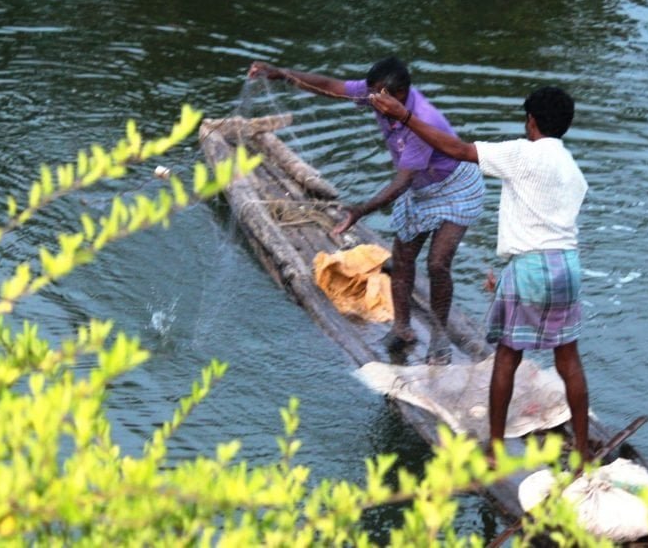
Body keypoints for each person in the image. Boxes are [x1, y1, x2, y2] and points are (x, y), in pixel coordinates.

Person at [370, 85, 590, 462]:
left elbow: (457, 150)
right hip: (567, 267)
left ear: (531, 121)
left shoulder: (523, 153)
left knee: (507, 357)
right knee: (568, 359)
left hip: (531, 267)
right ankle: (584, 450)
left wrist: (404, 116)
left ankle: (495, 448)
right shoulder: (573, 171)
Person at [248, 57, 485, 365]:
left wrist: (359, 211)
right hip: (421, 187)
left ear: (398, 94)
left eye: (377, 95)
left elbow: (402, 181)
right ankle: (402, 329)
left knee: (438, 263)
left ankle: (439, 338)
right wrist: (281, 74)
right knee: (402, 259)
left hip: (455, 187)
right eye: (369, 93)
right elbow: (331, 87)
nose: (370, 100)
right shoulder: (378, 94)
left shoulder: (423, 121)